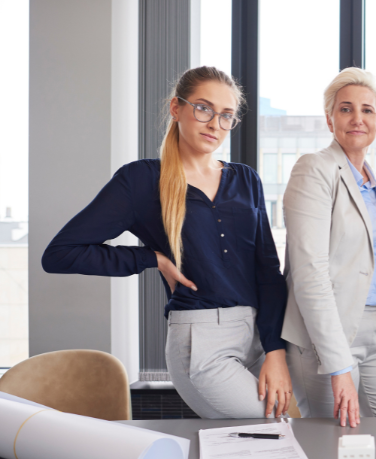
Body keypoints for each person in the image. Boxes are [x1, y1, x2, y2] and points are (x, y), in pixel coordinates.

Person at [41, 66, 291, 419]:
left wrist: (276, 350)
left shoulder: (246, 179)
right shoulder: (141, 180)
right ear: (177, 108)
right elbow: (60, 254)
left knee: (248, 445)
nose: (214, 124)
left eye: (226, 116)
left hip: (259, 335)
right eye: (203, 108)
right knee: (272, 432)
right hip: (202, 341)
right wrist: (151, 258)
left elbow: (268, 270)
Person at [281, 67, 376, 428]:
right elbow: (309, 272)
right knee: (335, 443)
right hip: (325, 333)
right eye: (345, 109)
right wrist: (337, 364)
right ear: (329, 119)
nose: (357, 118)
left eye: (367, 110)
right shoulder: (314, 169)